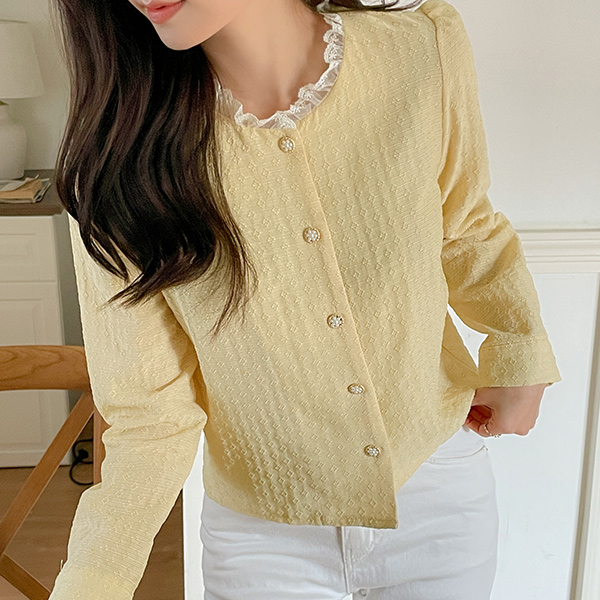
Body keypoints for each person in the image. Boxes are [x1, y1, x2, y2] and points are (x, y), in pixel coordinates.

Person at [47, 0, 562, 598]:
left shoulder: (421, 45)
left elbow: (466, 225)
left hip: (438, 495)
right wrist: (93, 581)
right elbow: (149, 417)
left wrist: (520, 350)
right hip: (261, 537)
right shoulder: (113, 165)